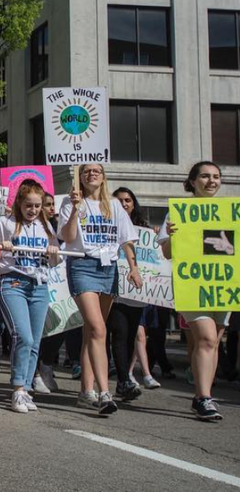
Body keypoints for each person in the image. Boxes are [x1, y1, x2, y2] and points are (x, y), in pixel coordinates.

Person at [58, 164, 141, 415]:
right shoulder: (70, 202)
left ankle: (86, 391)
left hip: (109, 269)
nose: (91, 174)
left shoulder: (114, 206)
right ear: (80, 177)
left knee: (91, 333)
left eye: (96, 171)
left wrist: (133, 268)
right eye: (86, 171)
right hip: (82, 265)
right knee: (97, 328)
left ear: (104, 177)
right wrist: (74, 208)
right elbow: (68, 236)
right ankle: (105, 393)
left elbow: (126, 240)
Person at [159, 161, 230, 421]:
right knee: (208, 338)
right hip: (193, 285)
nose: (211, 181)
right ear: (192, 182)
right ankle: (203, 398)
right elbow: (166, 253)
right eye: (205, 176)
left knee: (214, 343)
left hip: (223, 284)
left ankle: (204, 395)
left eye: (216, 176)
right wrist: (174, 236)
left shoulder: (230, 212)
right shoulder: (178, 212)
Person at [0, 180, 60, 413]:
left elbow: (57, 260)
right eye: (29, 205)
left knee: (36, 341)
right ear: (19, 202)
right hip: (13, 283)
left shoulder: (46, 227)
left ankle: (27, 389)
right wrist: (1, 246)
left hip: (39, 286)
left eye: (38, 206)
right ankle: (18, 388)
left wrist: (53, 253)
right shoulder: (4, 223)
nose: (33, 210)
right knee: (23, 336)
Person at [106, 187, 154, 401]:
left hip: (136, 293)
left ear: (134, 203)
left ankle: (124, 376)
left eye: (128, 200)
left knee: (130, 335)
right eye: (119, 200)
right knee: (118, 332)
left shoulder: (145, 231)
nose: (124, 204)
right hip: (114, 290)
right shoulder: (106, 225)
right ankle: (122, 379)